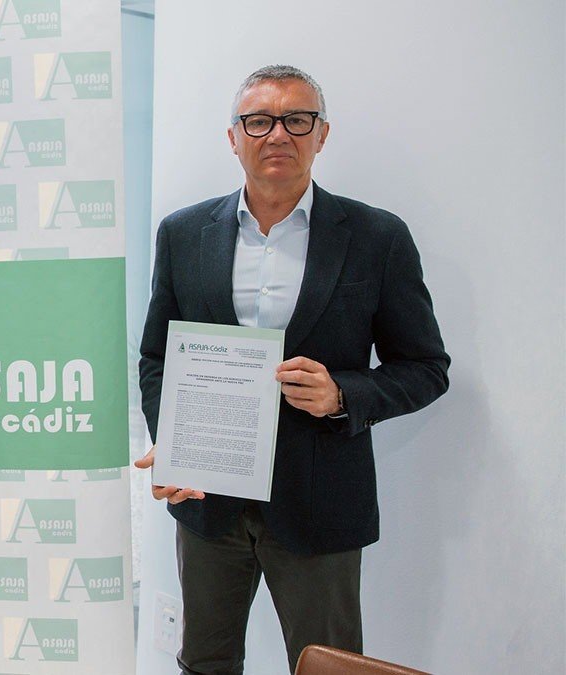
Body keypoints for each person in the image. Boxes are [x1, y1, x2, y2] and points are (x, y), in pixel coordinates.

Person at [135, 65, 449, 674]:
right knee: (204, 663)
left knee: (328, 666)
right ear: (234, 137)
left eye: (297, 119)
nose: (277, 134)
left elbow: (426, 368)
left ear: (321, 134)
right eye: (258, 120)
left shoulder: (377, 237)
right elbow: (157, 358)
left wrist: (342, 394)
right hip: (209, 501)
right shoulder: (182, 233)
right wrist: (172, 441)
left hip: (320, 502)